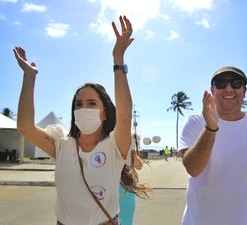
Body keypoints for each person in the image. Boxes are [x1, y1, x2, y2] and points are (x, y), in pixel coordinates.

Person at [14, 16, 148, 225]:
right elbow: (24, 126)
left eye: (92, 103)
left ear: (104, 112)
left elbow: (124, 115)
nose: (83, 108)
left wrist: (118, 60)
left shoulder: (115, 145)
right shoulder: (61, 145)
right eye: (78, 104)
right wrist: (29, 77)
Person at [178, 66, 247, 225]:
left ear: (244, 90)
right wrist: (211, 128)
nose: (229, 89)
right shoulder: (196, 122)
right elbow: (193, 169)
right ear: (212, 90)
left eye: (236, 83)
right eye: (221, 83)